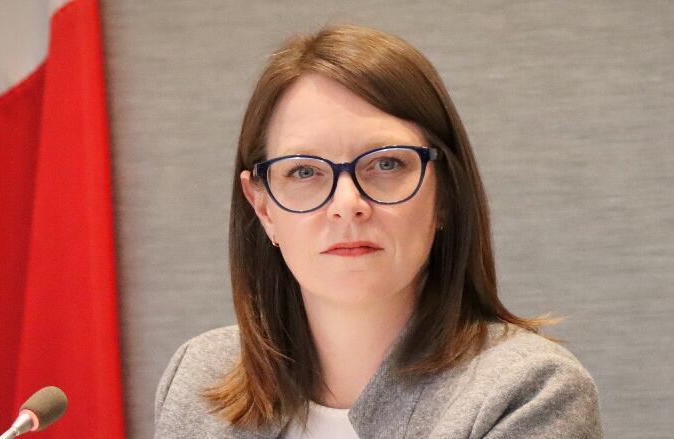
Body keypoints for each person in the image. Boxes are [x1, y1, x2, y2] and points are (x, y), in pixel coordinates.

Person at [153, 24, 602, 438]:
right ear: (263, 207)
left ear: (444, 194)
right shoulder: (199, 375)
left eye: (386, 164)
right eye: (304, 171)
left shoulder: (529, 391)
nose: (347, 205)